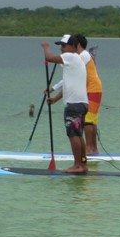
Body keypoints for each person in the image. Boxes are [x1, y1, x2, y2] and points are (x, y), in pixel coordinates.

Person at [42, 34, 89, 174]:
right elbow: (69, 85)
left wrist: (46, 47)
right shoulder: (76, 61)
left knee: (73, 134)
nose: (61, 49)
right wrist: (55, 99)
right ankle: (83, 164)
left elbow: (49, 58)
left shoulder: (72, 56)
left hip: (74, 105)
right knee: (79, 134)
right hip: (82, 104)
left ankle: (77, 165)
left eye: (63, 45)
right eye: (60, 46)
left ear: (74, 46)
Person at [72, 34, 103, 155]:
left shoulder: (84, 55)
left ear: (78, 44)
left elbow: (72, 67)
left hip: (93, 89)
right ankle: (93, 149)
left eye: (72, 44)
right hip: (93, 89)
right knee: (91, 120)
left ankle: (90, 149)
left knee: (88, 121)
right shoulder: (85, 55)